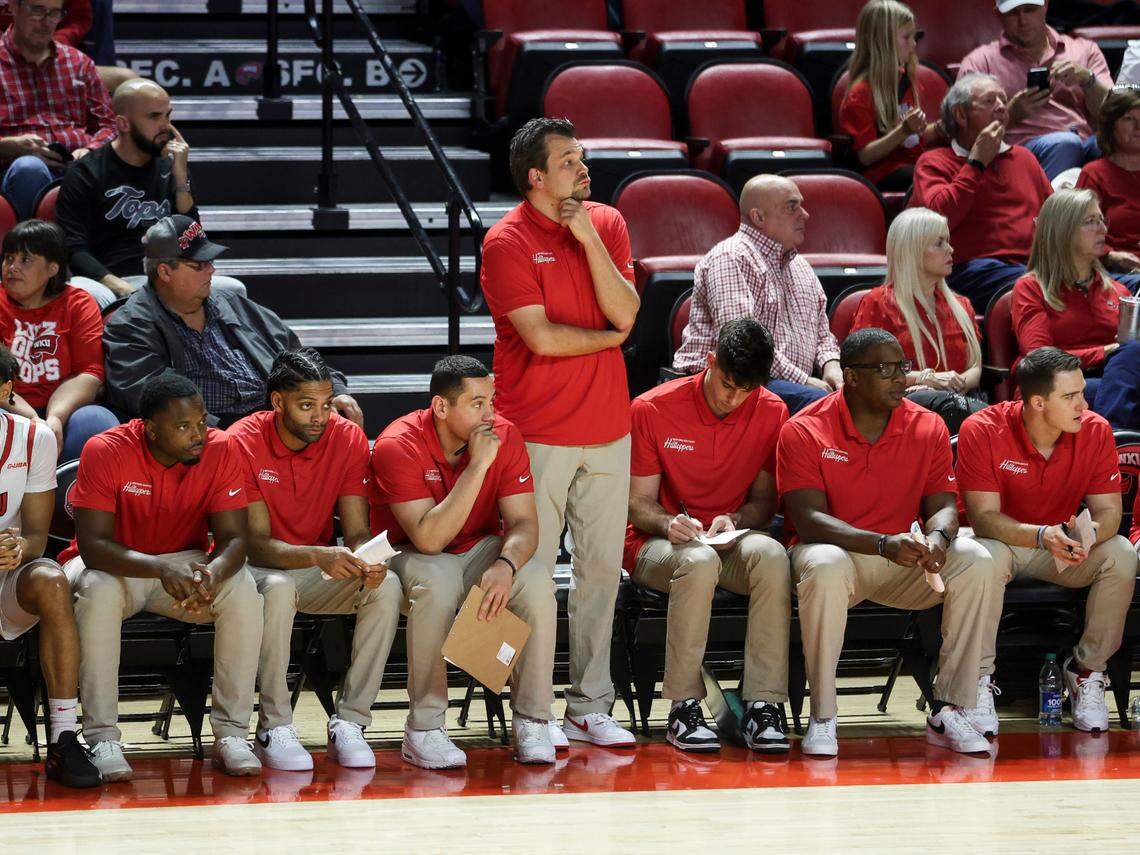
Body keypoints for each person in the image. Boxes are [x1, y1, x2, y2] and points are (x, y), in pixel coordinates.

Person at [479, 117, 639, 748]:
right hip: (534, 429)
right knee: (530, 573)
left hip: (607, 426)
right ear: (536, 176)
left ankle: (589, 704)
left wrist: (584, 234)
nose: (583, 169)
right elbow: (541, 336)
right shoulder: (505, 241)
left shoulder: (607, 222)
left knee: (601, 572)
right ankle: (530, 711)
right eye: (569, 161)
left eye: (583, 157)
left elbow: (627, 309)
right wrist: (608, 341)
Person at [777, 327, 1002, 756]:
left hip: (903, 559)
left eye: (902, 366)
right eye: (885, 368)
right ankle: (823, 716)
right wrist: (881, 543)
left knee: (977, 557)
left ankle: (951, 706)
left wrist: (938, 537)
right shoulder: (805, 429)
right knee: (823, 562)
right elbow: (807, 521)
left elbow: (944, 504)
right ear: (852, 376)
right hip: (840, 558)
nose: (900, 377)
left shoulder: (928, 426)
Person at [64, 372, 263, 780]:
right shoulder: (106, 449)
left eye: (202, 422)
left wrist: (210, 574)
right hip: (115, 563)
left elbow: (235, 540)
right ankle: (102, 737)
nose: (199, 434)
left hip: (184, 563)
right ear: (150, 429)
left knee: (241, 589)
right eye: (184, 426)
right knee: (97, 590)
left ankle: (231, 733)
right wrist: (159, 567)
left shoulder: (222, 448)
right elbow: (93, 547)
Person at [371, 356, 558, 768]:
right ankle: (424, 729)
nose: (490, 414)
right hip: (409, 552)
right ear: (441, 407)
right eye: (477, 404)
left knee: (538, 581)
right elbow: (429, 539)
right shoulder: (396, 444)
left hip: (478, 548)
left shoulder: (504, 434)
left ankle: (533, 718)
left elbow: (525, 523)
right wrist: (479, 465)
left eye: (491, 401)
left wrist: (506, 566)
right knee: (437, 584)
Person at [228, 349, 401, 772]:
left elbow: (357, 529)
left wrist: (366, 559)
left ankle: (351, 722)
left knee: (388, 586)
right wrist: (319, 555)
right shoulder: (240, 440)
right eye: (307, 406)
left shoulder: (346, 437)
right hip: (255, 569)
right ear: (277, 402)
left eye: (326, 404)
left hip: (314, 564)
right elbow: (256, 545)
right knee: (280, 587)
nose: (321, 416)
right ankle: (273, 726)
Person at [626, 318, 791, 753]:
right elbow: (636, 503)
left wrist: (736, 519)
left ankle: (762, 704)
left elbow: (765, 503)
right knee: (697, 562)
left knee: (773, 555)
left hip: (725, 538)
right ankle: (683, 706)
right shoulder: (651, 408)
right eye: (728, 384)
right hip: (653, 542)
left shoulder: (773, 410)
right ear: (710, 361)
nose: (734, 399)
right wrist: (667, 523)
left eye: (746, 391)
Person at [958, 346, 1137, 732]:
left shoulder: (1095, 430)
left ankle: (1087, 671)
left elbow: (1109, 514)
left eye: (1082, 394)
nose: (1083, 404)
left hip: (1059, 547)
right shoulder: (982, 428)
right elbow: (983, 518)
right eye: (1071, 396)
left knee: (1120, 553)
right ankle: (976, 683)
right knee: (981, 557)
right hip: (1002, 544)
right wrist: (1041, 536)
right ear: (1037, 402)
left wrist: (1086, 538)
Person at [102, 215, 361, 428]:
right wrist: (229, 434)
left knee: (341, 424)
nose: (212, 270)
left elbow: (296, 354)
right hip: (210, 434)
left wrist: (335, 390)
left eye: (211, 262)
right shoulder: (131, 324)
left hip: (275, 420)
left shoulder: (232, 304)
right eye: (198, 265)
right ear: (165, 272)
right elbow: (155, 400)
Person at [0, 343, 99, 787]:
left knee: (51, 579)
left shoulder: (32, 437)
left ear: (6, 390)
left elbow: (37, 536)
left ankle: (63, 739)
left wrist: (18, 551)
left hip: (6, 579)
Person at [58, 79, 246, 309]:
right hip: (111, 281)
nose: (165, 126)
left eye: (168, 116)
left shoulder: (173, 169)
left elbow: (193, 239)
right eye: (154, 117)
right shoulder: (86, 172)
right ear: (123, 123)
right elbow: (74, 248)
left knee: (233, 290)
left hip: (169, 279)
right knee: (82, 290)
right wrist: (119, 287)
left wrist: (180, 179)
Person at [673, 174, 842, 415]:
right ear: (758, 217)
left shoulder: (801, 266)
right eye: (792, 207)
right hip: (737, 380)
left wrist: (831, 366)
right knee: (822, 404)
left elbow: (822, 334)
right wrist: (804, 380)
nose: (805, 215)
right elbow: (744, 345)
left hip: (787, 383)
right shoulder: (732, 257)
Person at [911, 72, 1053, 310]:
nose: (1001, 107)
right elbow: (939, 219)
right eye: (989, 101)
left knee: (1126, 285)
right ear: (960, 114)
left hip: (1032, 268)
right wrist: (976, 163)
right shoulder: (933, 162)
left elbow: (1056, 218)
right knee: (1043, 285)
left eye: (1003, 100)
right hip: (971, 270)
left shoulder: (1024, 158)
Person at [1011, 188, 1140, 426]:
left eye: (1102, 220)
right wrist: (1106, 352)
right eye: (1091, 221)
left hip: (1113, 381)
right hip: (1052, 388)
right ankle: (1115, 444)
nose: (1103, 229)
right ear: (1063, 231)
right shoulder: (1031, 288)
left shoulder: (1119, 292)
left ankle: (1115, 445)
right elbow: (1039, 357)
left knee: (1132, 358)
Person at [850, 207, 986, 432]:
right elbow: (868, 369)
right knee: (965, 414)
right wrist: (929, 379)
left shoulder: (962, 305)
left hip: (959, 402)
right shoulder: (878, 303)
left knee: (960, 410)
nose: (951, 249)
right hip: (899, 406)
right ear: (913, 250)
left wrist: (954, 382)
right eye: (939, 243)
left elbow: (975, 368)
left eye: (948, 241)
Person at [0, 219, 117, 459]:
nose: (12, 267)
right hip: (8, 407)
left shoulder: (78, 303)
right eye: (8, 258)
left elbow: (90, 372)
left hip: (66, 409)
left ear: (52, 268)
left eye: (25, 260)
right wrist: (32, 418)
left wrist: (55, 417)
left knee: (96, 422)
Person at [957, 0, 1112, 179]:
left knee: (1115, 141)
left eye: (1030, 10)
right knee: (1066, 143)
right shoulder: (979, 62)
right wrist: (1010, 114)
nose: (1023, 21)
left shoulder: (1084, 50)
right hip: (1018, 156)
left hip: (1082, 143)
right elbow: (964, 132)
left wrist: (1088, 80)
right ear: (998, 14)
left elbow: (1114, 113)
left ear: (1045, 5)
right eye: (1013, 13)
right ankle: (1051, 206)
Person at [0, 0, 115, 219]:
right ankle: (32, 249)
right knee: (29, 168)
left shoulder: (79, 64)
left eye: (54, 13)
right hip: (15, 171)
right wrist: (8, 146)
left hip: (76, 165)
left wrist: (90, 151)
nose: (46, 22)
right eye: (37, 10)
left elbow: (109, 125)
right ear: (13, 7)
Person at [838, 0, 940, 191]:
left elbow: (915, 137)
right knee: (928, 178)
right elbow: (865, 156)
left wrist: (944, 128)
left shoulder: (904, 81)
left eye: (914, 37)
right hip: (881, 175)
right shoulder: (861, 94)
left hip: (912, 164)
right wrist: (903, 130)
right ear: (882, 42)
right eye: (906, 37)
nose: (914, 44)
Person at [1076, 86, 1140, 275]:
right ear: (1111, 126)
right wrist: (1109, 255)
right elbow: (1077, 233)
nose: (1139, 127)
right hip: (1117, 272)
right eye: (1129, 119)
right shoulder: (1095, 175)